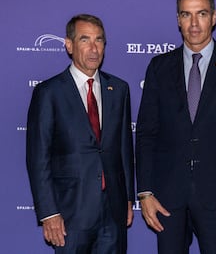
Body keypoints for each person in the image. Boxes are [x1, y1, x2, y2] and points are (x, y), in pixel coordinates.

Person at [135, 0, 216, 254]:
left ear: (214, 17)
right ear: (178, 19)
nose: (194, 24)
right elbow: (146, 133)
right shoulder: (159, 66)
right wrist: (144, 192)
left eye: (201, 14)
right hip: (167, 195)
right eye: (186, 15)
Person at [26, 14, 135, 253]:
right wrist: (49, 212)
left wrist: (128, 198)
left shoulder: (119, 89)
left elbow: (124, 149)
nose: (94, 48)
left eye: (99, 40)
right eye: (85, 40)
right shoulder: (49, 93)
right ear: (69, 45)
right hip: (70, 214)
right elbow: (38, 157)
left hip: (113, 212)